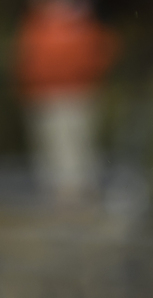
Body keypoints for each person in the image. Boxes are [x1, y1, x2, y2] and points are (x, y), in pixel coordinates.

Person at [14, 0, 115, 205]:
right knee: (49, 148)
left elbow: (102, 53)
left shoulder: (82, 24)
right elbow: (25, 59)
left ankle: (76, 198)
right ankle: (57, 198)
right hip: (42, 97)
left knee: (76, 147)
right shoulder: (36, 24)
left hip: (77, 95)